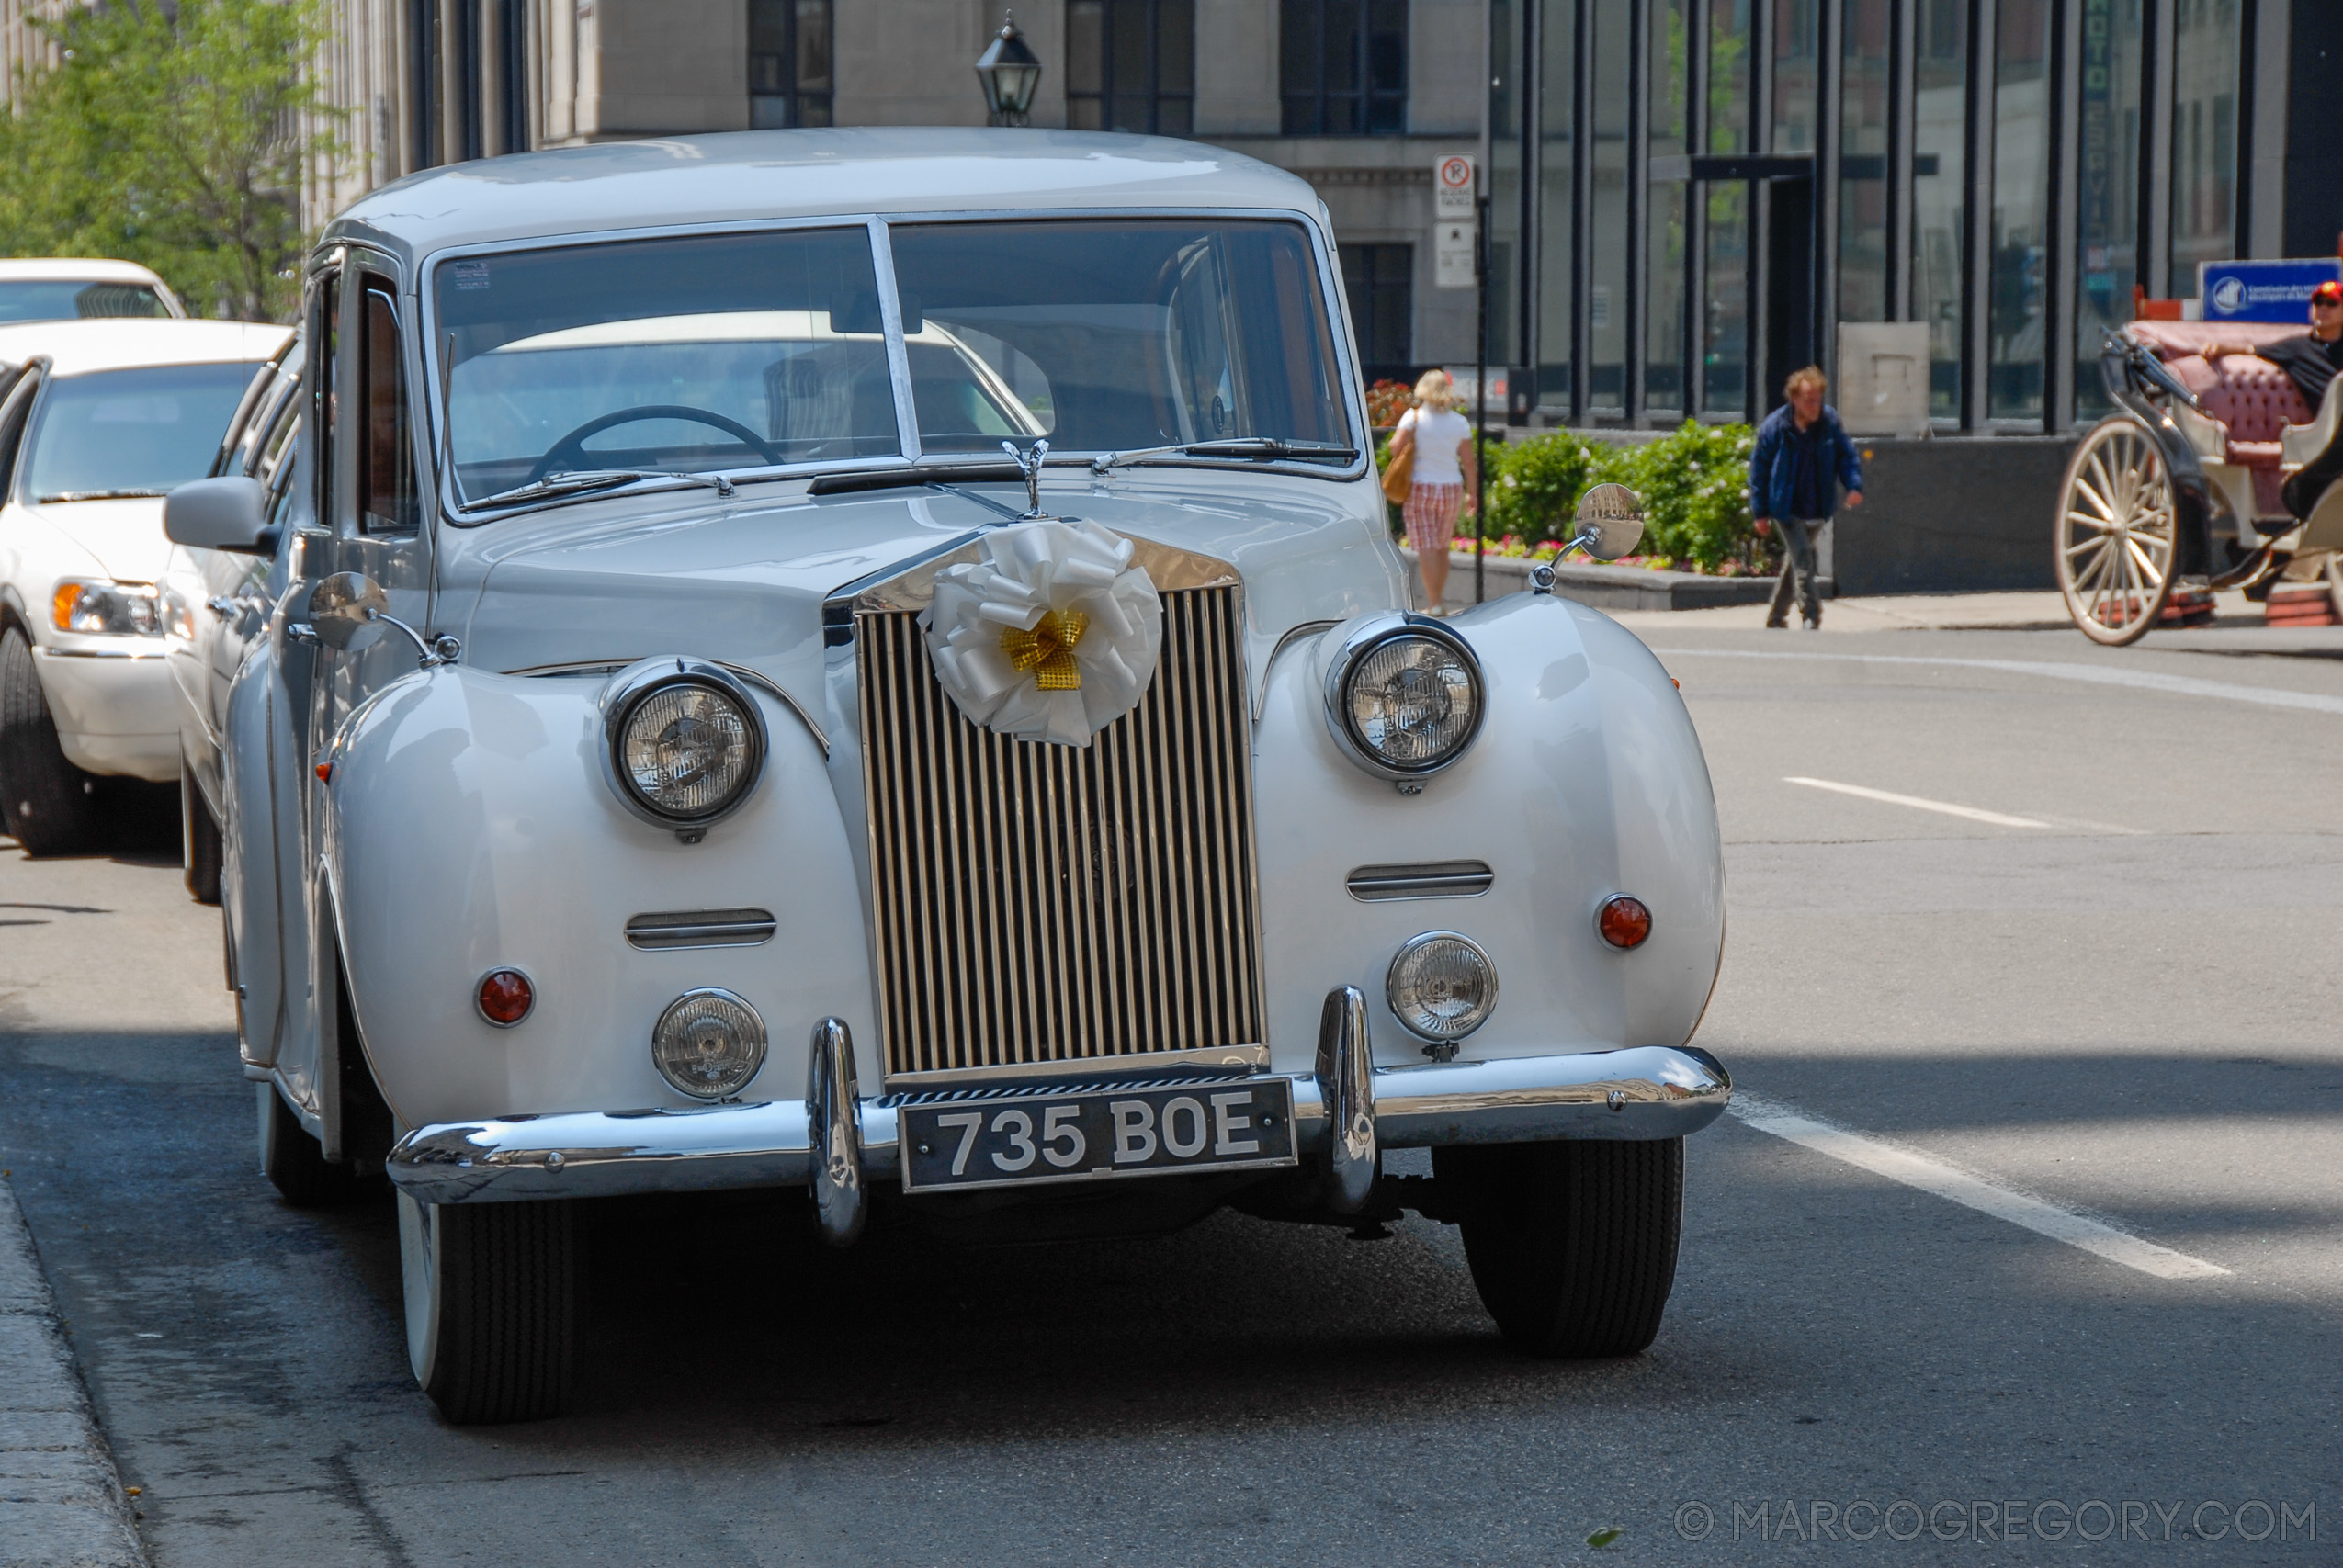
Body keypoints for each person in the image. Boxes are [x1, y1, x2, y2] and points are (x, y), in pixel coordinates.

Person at [2201, 279, 2343, 521]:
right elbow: (2250, 349)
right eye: (2319, 302)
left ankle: (2309, 485)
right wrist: (2219, 348)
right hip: (2327, 426)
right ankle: (2304, 487)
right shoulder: (2297, 348)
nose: (2324, 308)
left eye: (2332, 303)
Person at [1748, 366, 1863, 629]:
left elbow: (1847, 456)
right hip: (1785, 506)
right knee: (1803, 560)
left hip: (1817, 504)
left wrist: (1853, 486)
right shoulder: (1775, 427)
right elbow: (1759, 471)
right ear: (1795, 399)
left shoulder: (1829, 423)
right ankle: (1811, 614)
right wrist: (1760, 512)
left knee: (1795, 562)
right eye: (1809, 400)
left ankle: (1776, 617)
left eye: (1818, 399)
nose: (1815, 406)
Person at [1387, 368, 1479, 615]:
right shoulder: (1459, 422)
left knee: (1426, 545)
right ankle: (1438, 600)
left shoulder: (1413, 417)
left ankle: (1434, 602)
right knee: (1441, 546)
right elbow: (1469, 461)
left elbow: (1395, 447)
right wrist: (1473, 493)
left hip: (1420, 485)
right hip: (1451, 487)